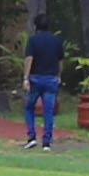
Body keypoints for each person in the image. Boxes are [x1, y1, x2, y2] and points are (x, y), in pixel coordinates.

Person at [22, 15, 67, 148]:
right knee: (48, 110)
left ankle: (31, 137)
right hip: (51, 79)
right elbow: (60, 61)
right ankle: (46, 141)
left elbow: (29, 59)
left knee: (29, 107)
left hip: (35, 78)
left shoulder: (33, 40)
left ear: (36, 27)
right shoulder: (56, 41)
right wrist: (59, 75)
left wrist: (26, 77)